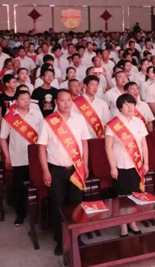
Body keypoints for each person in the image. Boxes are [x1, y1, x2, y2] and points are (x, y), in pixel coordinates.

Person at [38, 90, 91, 255]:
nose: (66, 103)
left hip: (76, 169)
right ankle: (60, 241)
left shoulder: (79, 119)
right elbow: (42, 147)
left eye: (69, 100)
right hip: (56, 170)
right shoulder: (48, 121)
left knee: (76, 205)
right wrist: (45, 170)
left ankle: (76, 237)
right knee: (58, 206)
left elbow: (85, 144)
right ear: (56, 101)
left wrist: (85, 165)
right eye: (62, 100)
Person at [105, 94, 149, 237]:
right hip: (120, 166)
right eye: (126, 104)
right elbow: (108, 147)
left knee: (135, 194)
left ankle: (133, 222)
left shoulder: (139, 122)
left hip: (136, 165)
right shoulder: (113, 124)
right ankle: (123, 224)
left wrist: (146, 163)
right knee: (122, 196)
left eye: (132, 104)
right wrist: (112, 167)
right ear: (120, 107)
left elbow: (144, 144)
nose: (130, 107)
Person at [0, 90, 44, 226]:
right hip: (18, 158)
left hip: (36, 159)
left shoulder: (37, 114)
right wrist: (7, 157)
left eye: (28, 99)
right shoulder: (9, 117)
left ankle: (39, 213)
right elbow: (2, 138)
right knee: (19, 188)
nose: (26, 101)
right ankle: (20, 214)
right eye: (23, 99)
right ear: (16, 101)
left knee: (38, 186)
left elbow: (44, 135)